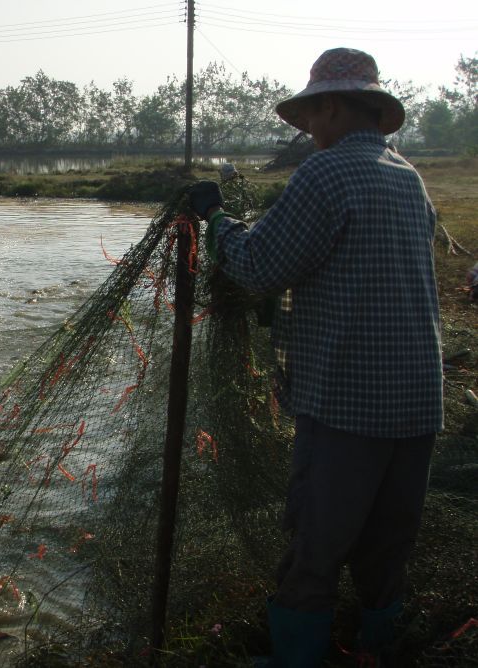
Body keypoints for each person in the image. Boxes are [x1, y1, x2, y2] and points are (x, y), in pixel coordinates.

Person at [188, 48, 443, 666]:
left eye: (311, 117)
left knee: (316, 543)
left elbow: (256, 266)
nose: (308, 132)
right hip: (417, 400)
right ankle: (376, 650)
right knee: (387, 543)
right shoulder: (407, 176)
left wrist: (216, 217)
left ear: (331, 106)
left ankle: (296, 659)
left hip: (348, 403)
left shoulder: (325, 174)